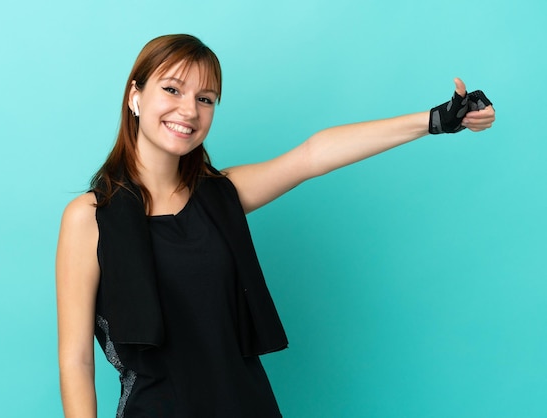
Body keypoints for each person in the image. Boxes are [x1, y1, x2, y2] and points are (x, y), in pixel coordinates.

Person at [55, 34, 495, 418]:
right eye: (172, 89)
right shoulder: (91, 217)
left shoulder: (220, 196)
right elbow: (76, 358)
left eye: (206, 99)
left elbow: (311, 156)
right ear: (135, 95)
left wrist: (435, 121)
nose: (188, 110)